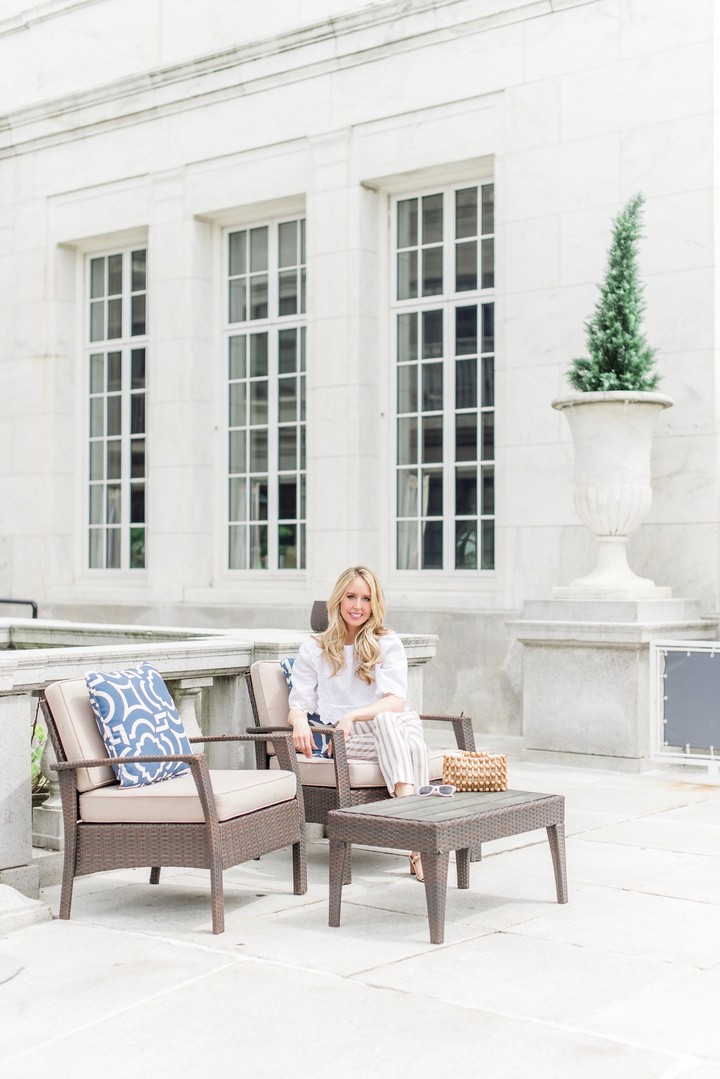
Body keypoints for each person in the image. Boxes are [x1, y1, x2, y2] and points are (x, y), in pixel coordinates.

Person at [287, 565, 430, 880]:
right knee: (413, 745)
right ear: (338, 599)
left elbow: (396, 701)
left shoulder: (387, 643)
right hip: (344, 739)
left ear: (374, 603)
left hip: (379, 725)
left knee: (387, 720)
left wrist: (352, 714)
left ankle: (408, 819)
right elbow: (299, 702)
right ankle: (420, 843)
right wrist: (298, 720)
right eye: (351, 596)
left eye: (366, 598)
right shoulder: (315, 649)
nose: (357, 606)